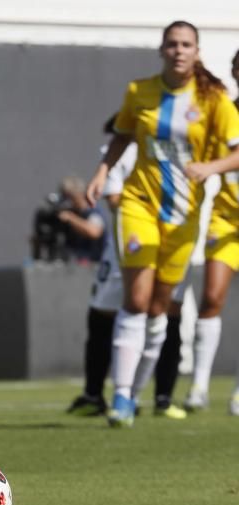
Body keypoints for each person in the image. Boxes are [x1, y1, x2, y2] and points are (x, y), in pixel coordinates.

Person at [85, 21, 239, 428]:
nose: (178, 51)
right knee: (136, 299)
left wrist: (211, 166)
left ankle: (134, 394)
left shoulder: (214, 100)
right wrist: (103, 172)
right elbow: (122, 135)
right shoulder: (140, 92)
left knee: (160, 309)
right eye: (172, 44)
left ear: (197, 51)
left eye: (186, 44)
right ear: (162, 50)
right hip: (140, 206)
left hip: (185, 215)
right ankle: (119, 396)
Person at [68, 117, 198, 419]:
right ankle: (98, 393)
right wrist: (146, 206)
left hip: (171, 242)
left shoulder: (174, 150)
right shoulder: (120, 153)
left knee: (164, 313)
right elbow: (113, 199)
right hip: (125, 250)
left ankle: (159, 396)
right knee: (106, 315)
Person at [184, 48, 239, 414]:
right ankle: (199, 388)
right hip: (227, 215)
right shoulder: (225, 110)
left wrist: (211, 167)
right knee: (212, 298)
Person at [31, 176, 105, 263]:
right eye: (64, 197)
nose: (67, 201)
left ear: (79, 194)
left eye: (70, 197)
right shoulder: (66, 213)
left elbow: (94, 232)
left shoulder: (92, 211)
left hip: (93, 264)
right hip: (70, 264)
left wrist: (70, 218)